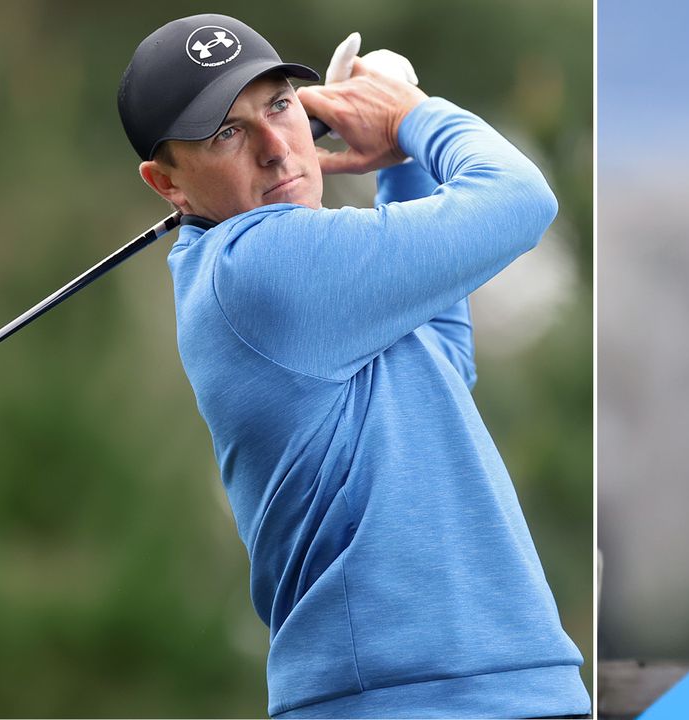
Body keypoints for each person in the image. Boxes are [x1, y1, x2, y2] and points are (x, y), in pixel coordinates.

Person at [117, 14, 590, 719]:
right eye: (227, 134)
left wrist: (400, 161)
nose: (278, 150)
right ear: (168, 185)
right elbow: (521, 198)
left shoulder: (306, 281)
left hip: (502, 685)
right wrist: (413, 114)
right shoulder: (256, 268)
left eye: (280, 106)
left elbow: (444, 362)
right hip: (402, 700)